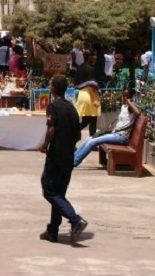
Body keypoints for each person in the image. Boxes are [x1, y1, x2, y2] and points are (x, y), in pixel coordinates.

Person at [38, 74, 88, 245]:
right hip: (68, 157)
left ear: (53, 89)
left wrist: (44, 145)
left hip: (56, 157)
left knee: (49, 190)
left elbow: (51, 130)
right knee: (59, 194)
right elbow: (78, 135)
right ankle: (53, 231)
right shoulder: (71, 109)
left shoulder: (53, 107)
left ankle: (75, 220)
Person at [74, 87, 141, 166]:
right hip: (115, 133)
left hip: (121, 137)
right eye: (124, 95)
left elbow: (138, 112)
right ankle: (73, 158)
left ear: (131, 97)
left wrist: (129, 102)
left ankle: (74, 161)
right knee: (89, 138)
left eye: (127, 96)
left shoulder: (131, 108)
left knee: (93, 142)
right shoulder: (124, 107)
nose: (125, 98)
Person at [74, 51, 101, 137]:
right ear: (90, 57)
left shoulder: (79, 68)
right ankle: (92, 140)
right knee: (93, 120)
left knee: (85, 121)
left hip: (82, 95)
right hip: (91, 95)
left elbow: (75, 83)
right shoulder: (92, 69)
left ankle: (73, 133)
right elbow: (95, 83)